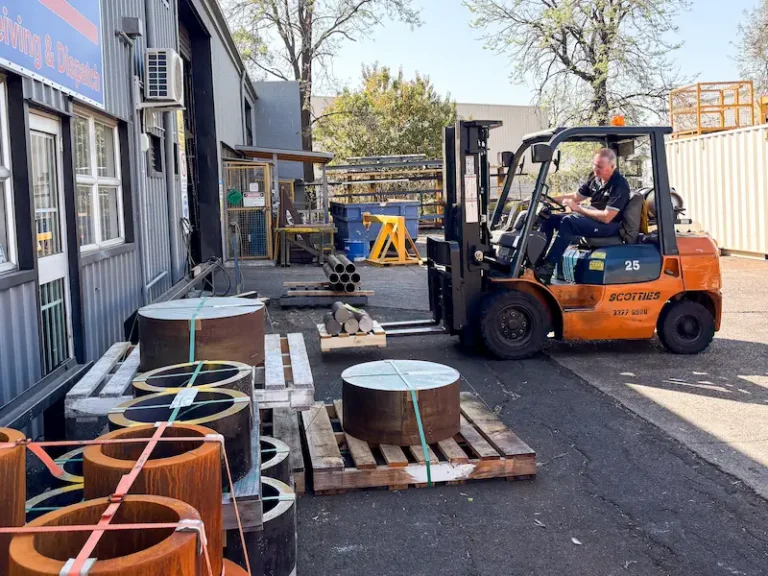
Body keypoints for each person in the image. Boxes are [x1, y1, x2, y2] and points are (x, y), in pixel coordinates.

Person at [534, 148, 630, 284]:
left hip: (610, 226)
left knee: (569, 222)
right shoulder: (595, 177)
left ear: (612, 167)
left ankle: (547, 268)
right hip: (593, 219)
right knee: (548, 218)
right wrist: (546, 199)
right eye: (594, 165)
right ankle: (537, 261)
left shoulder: (619, 185)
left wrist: (578, 209)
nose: (596, 169)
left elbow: (607, 217)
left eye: (600, 167)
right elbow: (576, 196)